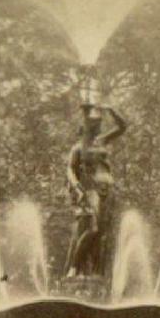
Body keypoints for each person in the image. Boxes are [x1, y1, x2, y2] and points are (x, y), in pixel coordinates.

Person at [64, 101, 127, 278]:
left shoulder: (102, 141)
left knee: (101, 234)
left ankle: (94, 273)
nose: (97, 127)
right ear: (85, 126)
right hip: (89, 190)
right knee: (93, 229)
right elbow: (69, 169)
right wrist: (77, 188)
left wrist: (112, 109)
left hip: (107, 191)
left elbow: (122, 127)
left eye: (98, 124)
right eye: (93, 124)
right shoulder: (77, 148)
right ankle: (74, 269)